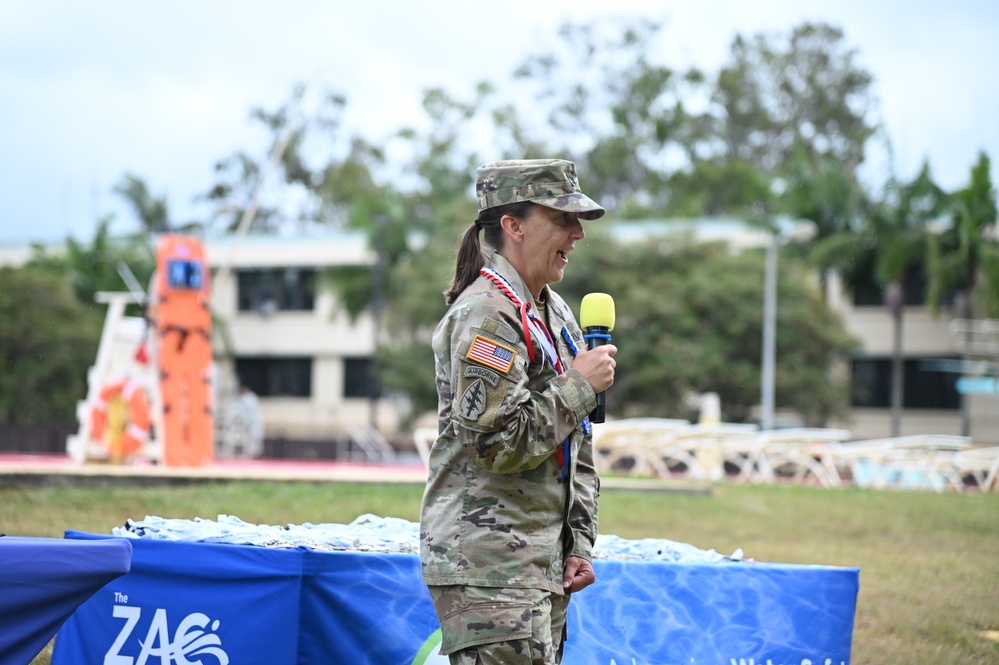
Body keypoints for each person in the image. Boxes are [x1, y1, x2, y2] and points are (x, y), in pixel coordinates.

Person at [420, 159, 617, 664]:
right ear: (513, 225)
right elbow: (495, 444)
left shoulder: (553, 312)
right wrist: (578, 385)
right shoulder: (488, 314)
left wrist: (579, 541)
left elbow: (577, 442)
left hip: (539, 564)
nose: (577, 235)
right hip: (492, 569)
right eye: (563, 219)